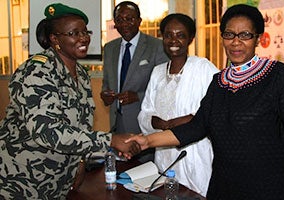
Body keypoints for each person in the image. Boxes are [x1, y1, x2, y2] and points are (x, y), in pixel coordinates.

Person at [126, 4, 284, 200]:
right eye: (229, 35)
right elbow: (197, 126)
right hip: (223, 186)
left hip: (267, 187)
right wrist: (147, 141)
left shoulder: (280, 77)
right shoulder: (220, 82)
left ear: (258, 38)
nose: (236, 42)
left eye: (245, 35)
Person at [0, 3, 139, 199]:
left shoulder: (81, 73)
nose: (83, 38)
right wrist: (110, 140)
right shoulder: (36, 71)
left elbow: (80, 125)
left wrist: (80, 161)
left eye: (85, 31)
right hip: (22, 180)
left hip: (58, 181)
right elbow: (47, 131)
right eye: (74, 33)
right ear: (54, 39)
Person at [137, 13, 218, 196]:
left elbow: (219, 107)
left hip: (194, 153)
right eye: (168, 35)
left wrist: (190, 120)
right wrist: (158, 123)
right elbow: (145, 112)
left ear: (190, 38)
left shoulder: (202, 67)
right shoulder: (157, 72)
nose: (174, 40)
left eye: (180, 35)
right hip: (164, 152)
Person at [100, 1, 169, 134]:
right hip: (117, 122)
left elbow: (165, 86)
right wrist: (105, 95)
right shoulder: (109, 48)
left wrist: (138, 96)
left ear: (139, 21)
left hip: (145, 123)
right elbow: (107, 82)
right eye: (119, 20)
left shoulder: (156, 47)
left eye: (129, 19)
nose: (124, 24)